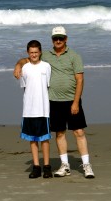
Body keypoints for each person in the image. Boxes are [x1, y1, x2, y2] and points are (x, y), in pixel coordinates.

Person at [14, 27, 95, 179]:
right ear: (52, 40)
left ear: (66, 39)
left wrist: (76, 102)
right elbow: (28, 59)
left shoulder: (74, 56)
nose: (58, 41)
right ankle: (65, 165)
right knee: (59, 133)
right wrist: (18, 65)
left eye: (61, 38)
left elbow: (80, 79)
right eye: (55, 38)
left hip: (72, 100)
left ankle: (86, 165)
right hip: (54, 101)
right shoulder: (46, 56)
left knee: (79, 132)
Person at [19, 40, 53, 179]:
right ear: (28, 53)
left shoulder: (46, 66)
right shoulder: (25, 68)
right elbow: (25, 87)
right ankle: (36, 166)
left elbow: (48, 85)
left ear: (40, 52)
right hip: (28, 110)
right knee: (33, 140)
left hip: (43, 109)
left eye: (36, 52)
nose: (34, 54)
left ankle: (46, 167)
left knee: (44, 139)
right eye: (31, 52)